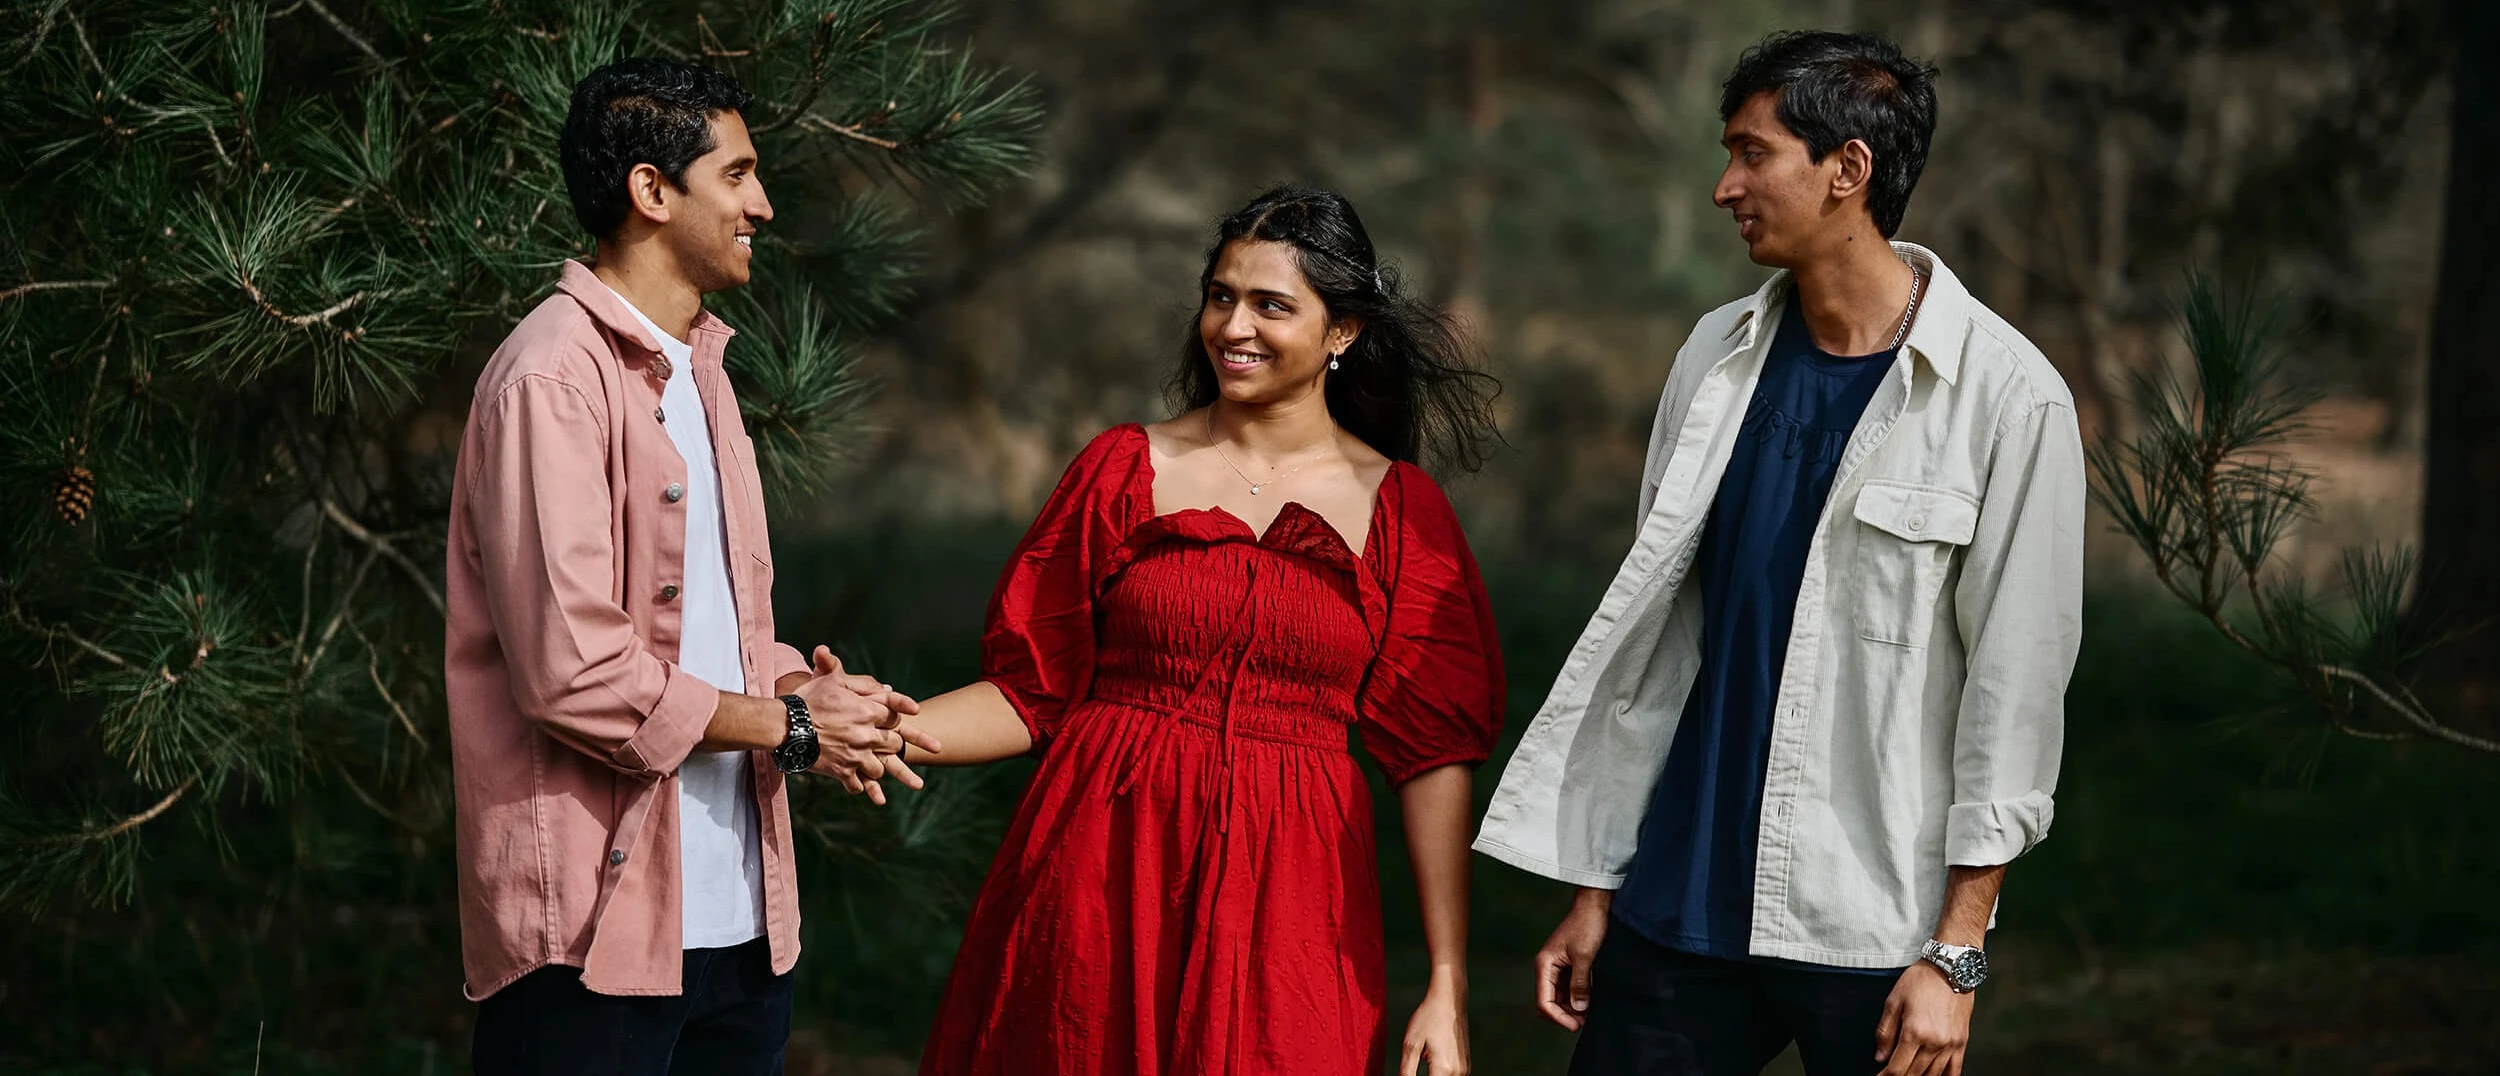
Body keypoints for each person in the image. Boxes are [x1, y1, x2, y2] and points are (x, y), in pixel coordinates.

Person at [1473, 30, 2084, 1076]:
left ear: (1848, 169)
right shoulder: (1714, 355)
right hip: (1675, 908)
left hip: (1874, 921)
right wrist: (1596, 883)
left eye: (1753, 153)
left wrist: (1958, 947)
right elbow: (1655, 640)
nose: (1724, 186)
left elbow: (2014, 691)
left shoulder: (2006, 396)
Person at [898, 185, 1506, 1076]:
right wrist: (880, 727)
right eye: (1220, 296)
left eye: (1271, 304)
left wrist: (1447, 983)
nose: (1233, 326)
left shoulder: (1404, 513)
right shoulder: (1122, 467)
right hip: (1103, 866)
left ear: (1343, 332)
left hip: (1298, 892)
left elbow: (1432, 757)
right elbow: (1032, 689)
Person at [443, 58, 935, 1076]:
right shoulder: (551, 378)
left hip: (740, 926)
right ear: (652, 191)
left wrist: (800, 686)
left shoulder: (702, 372)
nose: (761, 202)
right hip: (591, 937)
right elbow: (572, 669)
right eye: (739, 174)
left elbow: (704, 626)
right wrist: (788, 725)